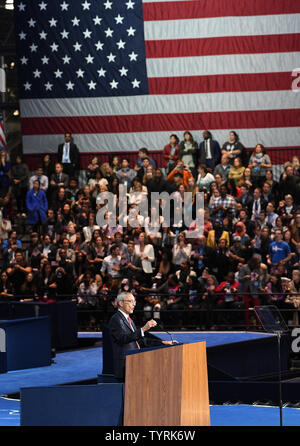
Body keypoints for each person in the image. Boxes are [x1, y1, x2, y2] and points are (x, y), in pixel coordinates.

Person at [108, 291, 177, 380]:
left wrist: (163, 342)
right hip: (125, 365)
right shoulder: (116, 319)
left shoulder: (129, 320)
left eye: (134, 302)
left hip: (135, 363)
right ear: (121, 303)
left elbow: (140, 341)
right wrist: (143, 329)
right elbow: (123, 339)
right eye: (130, 301)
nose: (133, 304)